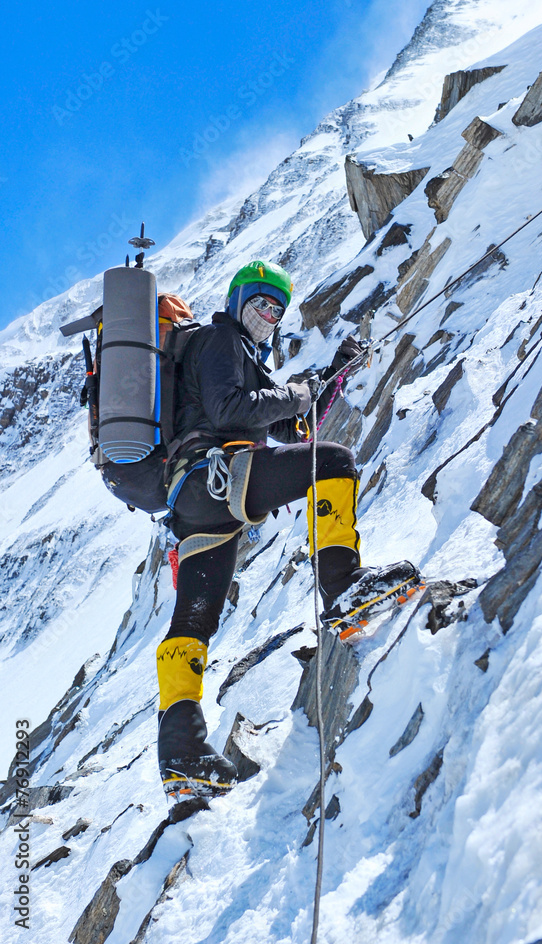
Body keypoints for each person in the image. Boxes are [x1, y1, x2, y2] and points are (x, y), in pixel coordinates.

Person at [156, 260, 419, 802]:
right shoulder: (219, 341)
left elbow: (291, 427)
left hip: (197, 501)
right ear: (237, 301)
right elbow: (234, 408)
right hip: (217, 476)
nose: (267, 316)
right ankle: (344, 589)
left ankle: (180, 752)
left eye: (276, 310)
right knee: (337, 462)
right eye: (260, 303)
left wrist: (331, 378)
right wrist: (296, 394)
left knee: (195, 616)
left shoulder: (242, 360)